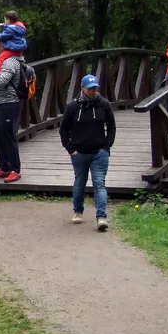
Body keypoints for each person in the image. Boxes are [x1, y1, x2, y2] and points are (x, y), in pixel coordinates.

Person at [59, 73, 116, 231]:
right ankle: (78, 211)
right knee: (80, 182)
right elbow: (63, 130)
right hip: (79, 153)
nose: (92, 91)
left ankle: (101, 217)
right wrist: (71, 150)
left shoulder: (104, 104)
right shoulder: (73, 107)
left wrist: (106, 147)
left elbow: (111, 127)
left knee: (99, 183)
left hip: (99, 152)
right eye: (90, 88)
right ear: (82, 88)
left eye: (94, 88)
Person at [0, 37, 26, 183]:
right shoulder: (3, 61)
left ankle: (15, 170)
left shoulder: (10, 62)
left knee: (8, 137)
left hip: (8, 104)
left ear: (2, 46)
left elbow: (2, 81)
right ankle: (4, 167)